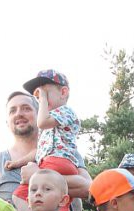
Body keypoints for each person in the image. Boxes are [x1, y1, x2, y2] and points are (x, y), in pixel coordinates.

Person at [9, 70, 80, 198]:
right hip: (52, 163)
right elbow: (38, 151)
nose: (41, 101)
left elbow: (41, 122)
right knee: (57, 200)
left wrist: (42, 100)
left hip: (56, 161)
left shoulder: (65, 111)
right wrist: (17, 163)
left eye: (45, 94)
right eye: (38, 97)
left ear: (63, 92)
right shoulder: (50, 122)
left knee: (20, 195)